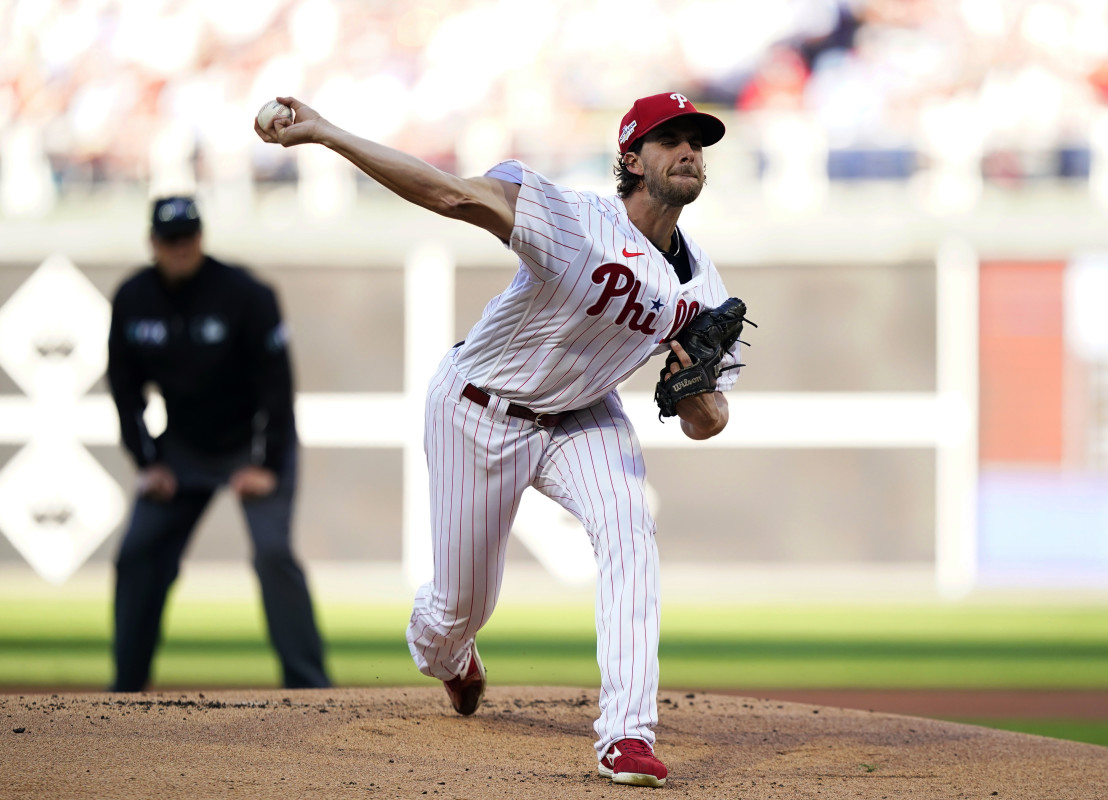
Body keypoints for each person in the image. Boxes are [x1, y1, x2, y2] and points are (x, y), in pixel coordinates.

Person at [256, 90, 743, 788]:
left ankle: (627, 735)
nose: (690, 150)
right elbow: (454, 195)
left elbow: (709, 422)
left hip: (582, 415)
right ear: (631, 158)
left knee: (631, 525)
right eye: (671, 139)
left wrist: (697, 393)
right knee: (460, 608)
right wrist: (327, 133)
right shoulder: (575, 221)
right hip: (481, 408)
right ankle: (449, 654)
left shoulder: (705, 287)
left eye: (698, 139)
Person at [105, 195, 331, 693]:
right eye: (169, 239)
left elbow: (277, 386)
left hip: (254, 441)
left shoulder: (247, 294)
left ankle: (312, 689)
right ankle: (124, 689)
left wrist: (266, 464)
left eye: (188, 237)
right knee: (138, 552)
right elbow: (125, 392)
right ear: (153, 243)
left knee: (273, 553)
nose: (179, 247)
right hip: (183, 448)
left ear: (201, 238)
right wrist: (147, 462)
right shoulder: (132, 299)